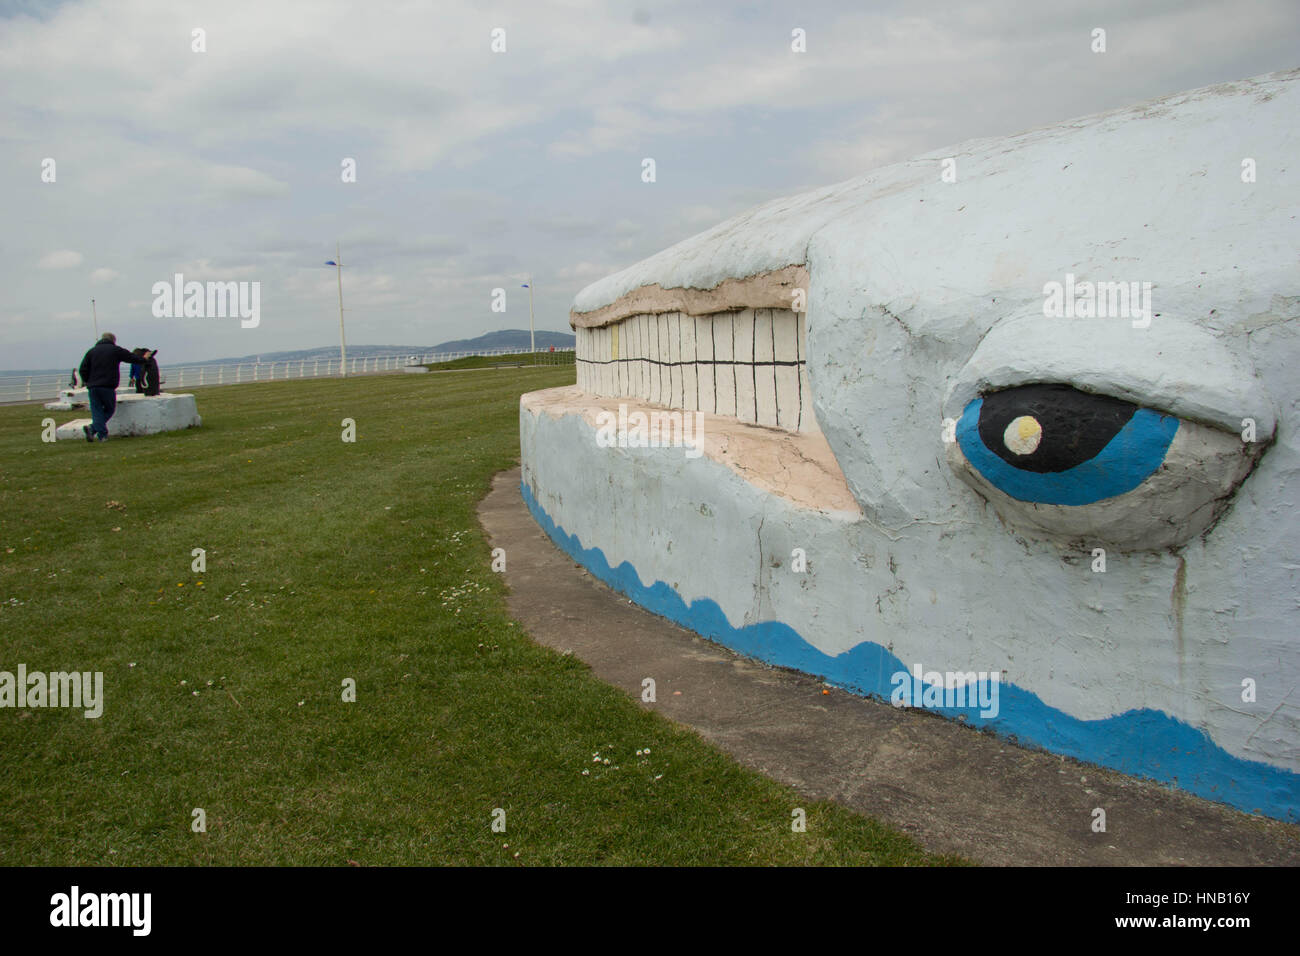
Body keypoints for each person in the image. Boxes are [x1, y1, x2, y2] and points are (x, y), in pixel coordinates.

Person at [77, 333, 150, 442]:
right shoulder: (115, 350)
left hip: (93, 387)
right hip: (107, 386)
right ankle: (97, 432)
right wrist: (144, 359)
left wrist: (88, 382)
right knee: (110, 409)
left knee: (97, 411)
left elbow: (82, 369)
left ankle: (96, 432)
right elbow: (131, 357)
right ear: (113, 340)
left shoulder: (91, 351)